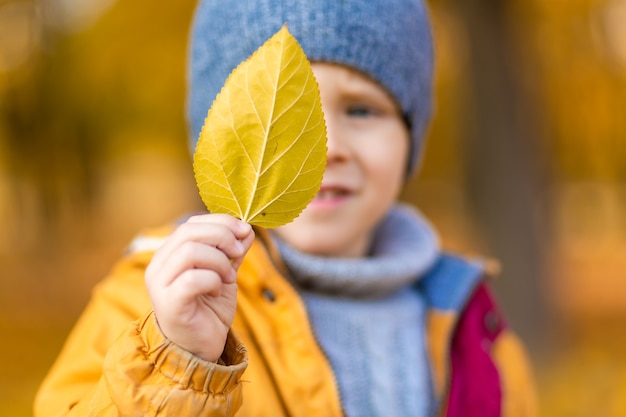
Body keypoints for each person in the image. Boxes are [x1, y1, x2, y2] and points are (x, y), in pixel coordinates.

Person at [34, 0, 537, 416]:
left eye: (362, 109)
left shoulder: (471, 324)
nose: (327, 146)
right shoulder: (153, 304)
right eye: (292, 117)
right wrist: (177, 359)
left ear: (411, 137)